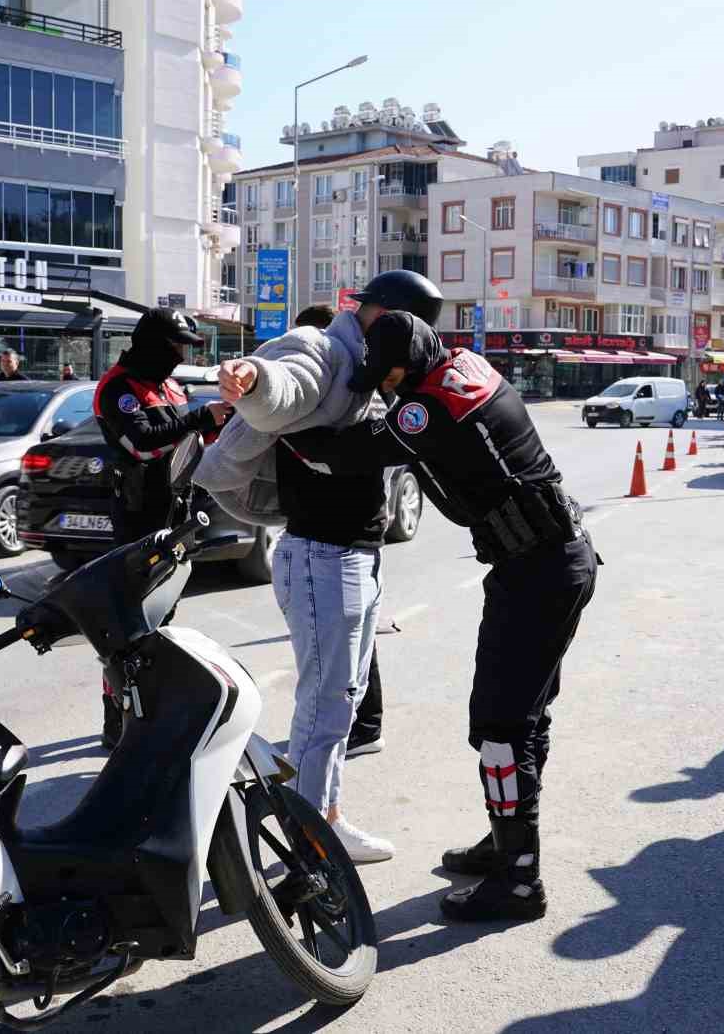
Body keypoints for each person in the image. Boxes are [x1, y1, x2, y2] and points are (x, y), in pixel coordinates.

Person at [287, 310, 598, 923]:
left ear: (409, 365)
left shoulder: (424, 408)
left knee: (502, 728)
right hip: (547, 563)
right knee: (519, 721)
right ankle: (509, 847)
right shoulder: (466, 368)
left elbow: (344, 455)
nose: (384, 387)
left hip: (538, 571)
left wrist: (281, 425)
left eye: (389, 375)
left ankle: (518, 878)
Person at [203, 274, 446, 863]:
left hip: (354, 557)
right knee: (325, 704)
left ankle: (325, 816)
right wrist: (253, 379)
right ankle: (309, 839)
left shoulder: (370, 370)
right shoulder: (325, 350)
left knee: (345, 698)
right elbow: (287, 380)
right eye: (395, 321)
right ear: (374, 314)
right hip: (323, 557)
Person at [92, 308, 229, 746]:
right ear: (153, 343)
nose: (179, 356)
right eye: (175, 346)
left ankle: (152, 708)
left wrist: (216, 427)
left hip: (175, 513)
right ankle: (118, 718)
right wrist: (199, 418)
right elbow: (144, 443)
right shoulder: (118, 387)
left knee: (163, 619)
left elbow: (186, 439)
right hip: (137, 517)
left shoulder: (168, 385)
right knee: (131, 625)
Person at [291, 303, 387, 760]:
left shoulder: (347, 398)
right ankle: (362, 727)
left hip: (337, 545)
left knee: (331, 686)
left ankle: (362, 728)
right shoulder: (354, 396)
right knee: (345, 669)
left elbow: (325, 454)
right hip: (351, 541)